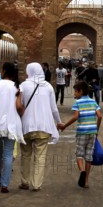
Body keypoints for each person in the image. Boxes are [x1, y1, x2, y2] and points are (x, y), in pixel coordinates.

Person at [19, 62, 64, 191]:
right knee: (40, 156)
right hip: (43, 126)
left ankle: (24, 182)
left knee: (26, 155)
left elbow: (19, 105)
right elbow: (54, 109)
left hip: (26, 126)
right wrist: (59, 122)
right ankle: (36, 184)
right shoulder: (48, 87)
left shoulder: (23, 86)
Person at [0, 62, 25, 193]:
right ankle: (5, 184)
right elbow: (19, 106)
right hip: (11, 124)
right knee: (8, 154)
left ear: (3, 71)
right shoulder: (17, 87)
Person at [59, 81, 102, 188]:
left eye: (75, 91)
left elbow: (75, 117)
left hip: (82, 132)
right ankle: (86, 181)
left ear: (81, 91)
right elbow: (100, 116)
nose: (74, 94)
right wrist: (97, 129)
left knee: (79, 154)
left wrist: (65, 125)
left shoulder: (77, 103)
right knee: (88, 156)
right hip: (92, 132)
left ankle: (82, 171)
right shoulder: (93, 102)